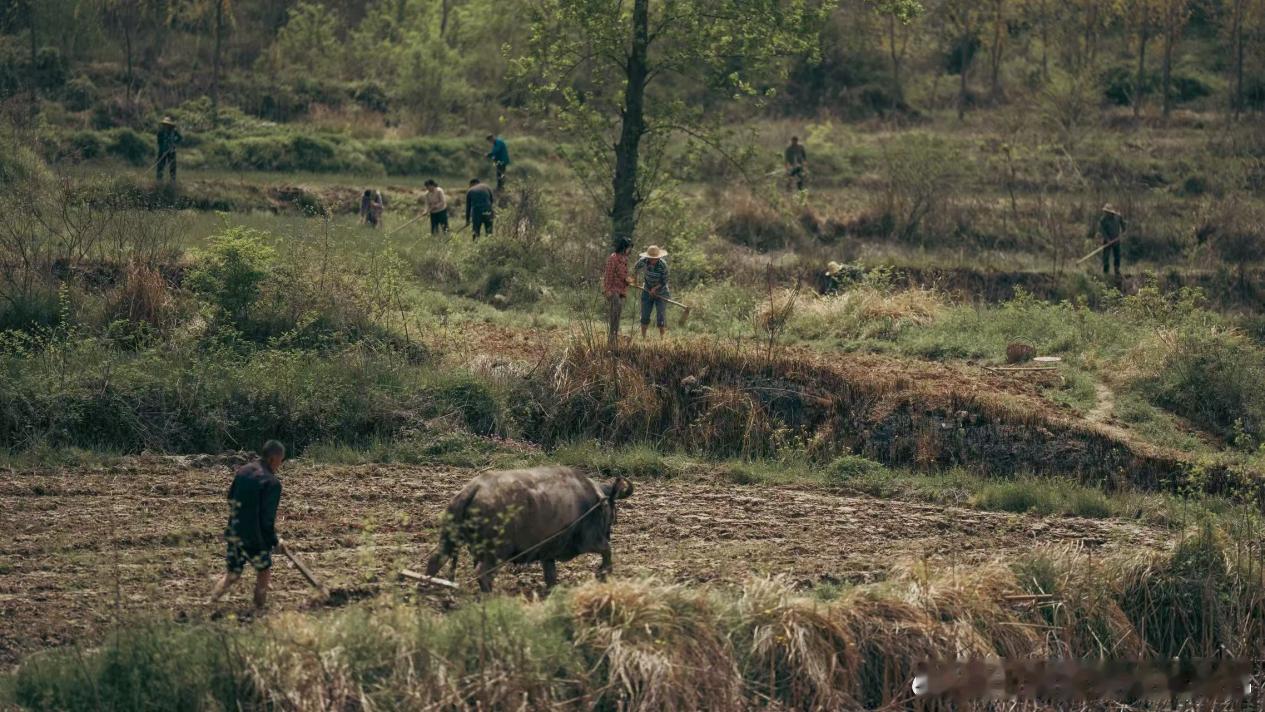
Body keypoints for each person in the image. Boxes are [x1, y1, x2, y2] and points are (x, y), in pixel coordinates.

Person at [209, 440, 286, 611]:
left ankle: (210, 603)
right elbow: (267, 520)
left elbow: (230, 498)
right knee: (264, 573)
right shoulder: (272, 483)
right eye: (281, 460)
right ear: (274, 459)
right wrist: (275, 541)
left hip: (235, 531)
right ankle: (258, 611)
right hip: (255, 538)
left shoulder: (243, 471)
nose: (280, 465)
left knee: (232, 574)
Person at [633, 245, 670, 338]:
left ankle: (662, 339)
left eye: (655, 258)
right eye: (651, 258)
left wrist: (655, 289)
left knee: (661, 315)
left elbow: (664, 280)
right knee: (645, 313)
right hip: (647, 289)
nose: (653, 260)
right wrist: (636, 281)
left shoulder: (663, 265)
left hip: (661, 291)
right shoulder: (643, 261)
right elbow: (636, 268)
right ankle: (643, 338)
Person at [602, 237, 633, 346]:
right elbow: (608, 275)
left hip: (621, 291)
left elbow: (623, 276)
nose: (630, 250)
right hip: (613, 290)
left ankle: (614, 338)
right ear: (624, 247)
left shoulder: (625, 259)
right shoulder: (613, 258)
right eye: (629, 248)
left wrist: (628, 280)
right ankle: (611, 341)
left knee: (617, 316)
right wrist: (607, 290)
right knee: (614, 315)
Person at [1099, 203, 1127, 277]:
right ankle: (1105, 272)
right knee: (1106, 256)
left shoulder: (1118, 217)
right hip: (1107, 241)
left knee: (1117, 256)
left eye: (1107, 212)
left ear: (1111, 212)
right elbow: (1102, 231)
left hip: (1116, 240)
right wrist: (1108, 240)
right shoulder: (1103, 220)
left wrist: (1124, 231)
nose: (1106, 213)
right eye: (1105, 212)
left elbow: (1123, 225)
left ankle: (1117, 271)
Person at [155, 116, 182, 183]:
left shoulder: (174, 131)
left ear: (170, 125)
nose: (166, 126)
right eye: (165, 124)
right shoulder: (160, 132)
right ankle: (159, 181)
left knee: (172, 167)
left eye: (167, 124)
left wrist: (174, 142)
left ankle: (172, 181)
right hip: (162, 151)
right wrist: (163, 150)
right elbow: (159, 142)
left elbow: (180, 138)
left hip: (171, 151)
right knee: (160, 166)